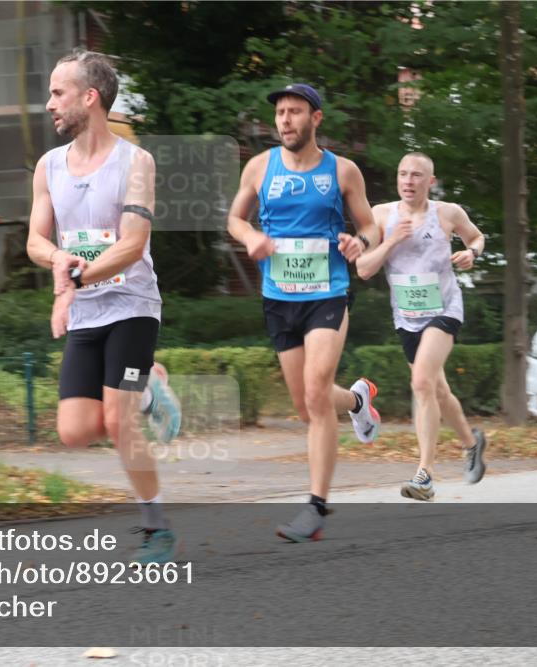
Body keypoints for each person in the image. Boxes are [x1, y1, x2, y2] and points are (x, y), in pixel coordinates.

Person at [26, 50, 181, 562]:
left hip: (132, 306)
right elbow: (35, 240)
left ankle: (156, 528)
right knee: (74, 432)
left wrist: (73, 279)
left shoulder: (136, 163)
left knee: (118, 422)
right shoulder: (49, 167)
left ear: (90, 97)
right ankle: (151, 385)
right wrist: (58, 260)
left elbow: (133, 245)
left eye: (58, 93)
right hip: (86, 314)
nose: (49, 103)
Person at [227, 83, 382, 542]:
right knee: (306, 405)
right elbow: (234, 218)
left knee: (316, 392)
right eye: (280, 113)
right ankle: (357, 402)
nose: (285, 120)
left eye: (294, 111)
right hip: (279, 298)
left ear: (316, 118)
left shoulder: (342, 170)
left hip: (327, 294)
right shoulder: (260, 167)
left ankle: (315, 507)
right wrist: (250, 237)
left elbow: (370, 224)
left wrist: (361, 242)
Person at [356, 152, 488, 501]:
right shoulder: (381, 215)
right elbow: (364, 269)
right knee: (438, 391)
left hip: (444, 309)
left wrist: (472, 253)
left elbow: (477, 237)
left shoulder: (448, 213)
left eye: (416, 175)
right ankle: (472, 444)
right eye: (403, 174)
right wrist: (392, 240)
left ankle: (425, 475)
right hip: (406, 317)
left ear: (431, 181)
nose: (408, 181)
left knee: (421, 383)